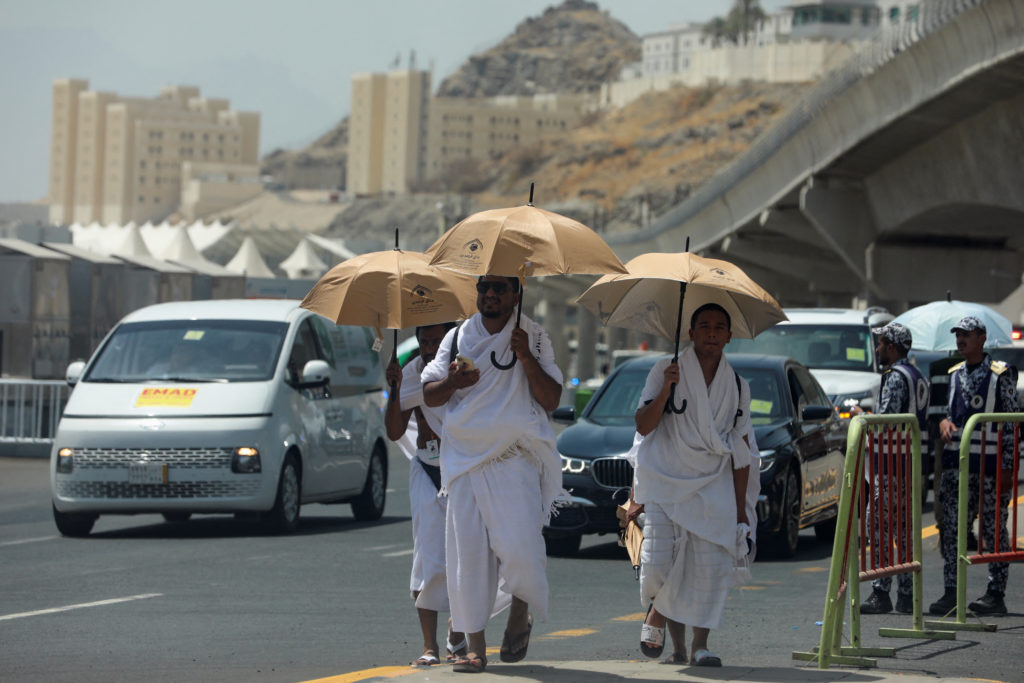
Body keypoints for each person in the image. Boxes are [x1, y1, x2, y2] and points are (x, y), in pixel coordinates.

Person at [421, 274, 563, 674]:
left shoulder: (532, 337)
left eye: (500, 287)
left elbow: (551, 399)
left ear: (516, 294)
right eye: (485, 286)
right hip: (464, 461)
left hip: (512, 459)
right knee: (467, 557)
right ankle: (474, 646)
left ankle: (521, 606)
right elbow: (428, 391)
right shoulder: (456, 338)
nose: (491, 294)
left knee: (521, 549)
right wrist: (453, 381)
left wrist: (527, 359)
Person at [626, 303, 752, 667]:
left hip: (714, 484)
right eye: (704, 326)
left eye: (719, 327)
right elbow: (643, 425)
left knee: (707, 569)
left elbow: (739, 451)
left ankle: (699, 646)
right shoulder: (664, 370)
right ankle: (674, 640)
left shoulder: (739, 386)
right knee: (659, 564)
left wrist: (741, 508)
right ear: (691, 333)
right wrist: (667, 387)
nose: (712, 332)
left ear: (729, 336)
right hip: (666, 480)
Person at [384, 323, 467, 667]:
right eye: (425, 341)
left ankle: (460, 629)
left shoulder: (462, 369)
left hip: (462, 469)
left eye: (437, 340)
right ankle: (429, 646)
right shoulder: (411, 372)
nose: (431, 347)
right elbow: (393, 431)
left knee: (467, 556)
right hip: (426, 469)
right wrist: (395, 388)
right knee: (427, 560)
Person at [929, 316, 1018, 616]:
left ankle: (996, 594)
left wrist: (1008, 467)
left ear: (981, 338)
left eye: (966, 335)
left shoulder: (1000, 374)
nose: (960, 340)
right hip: (957, 465)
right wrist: (943, 422)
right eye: (958, 335)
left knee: (993, 533)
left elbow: (1012, 424)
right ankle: (952, 592)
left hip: (990, 468)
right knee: (953, 530)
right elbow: (945, 413)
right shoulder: (953, 374)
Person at [857, 322, 929, 615]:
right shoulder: (916, 374)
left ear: (892, 346)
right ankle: (906, 594)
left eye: (881, 342)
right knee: (904, 530)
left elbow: (886, 420)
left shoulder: (896, 376)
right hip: (908, 463)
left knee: (880, 526)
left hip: (892, 465)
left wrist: (863, 417)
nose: (877, 348)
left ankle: (881, 591)